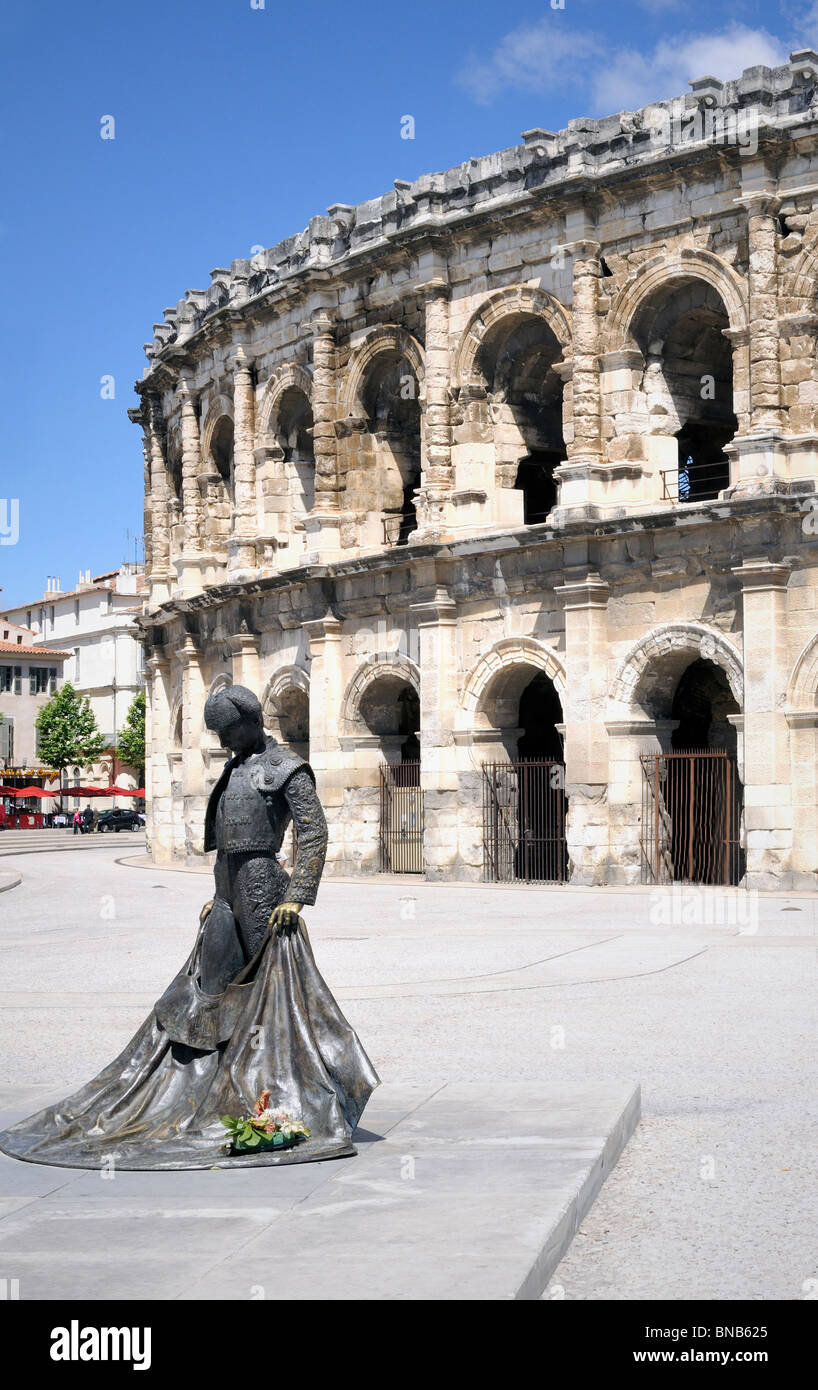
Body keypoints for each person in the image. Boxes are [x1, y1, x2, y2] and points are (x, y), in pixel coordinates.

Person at [0, 684, 378, 1170]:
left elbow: (314, 830)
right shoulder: (233, 769)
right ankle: (212, 1084)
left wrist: (298, 896)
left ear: (248, 720)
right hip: (227, 890)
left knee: (270, 991)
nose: (222, 742)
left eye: (227, 731)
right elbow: (226, 844)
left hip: (264, 886)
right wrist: (217, 895)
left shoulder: (286, 766)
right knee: (211, 988)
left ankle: (275, 1086)